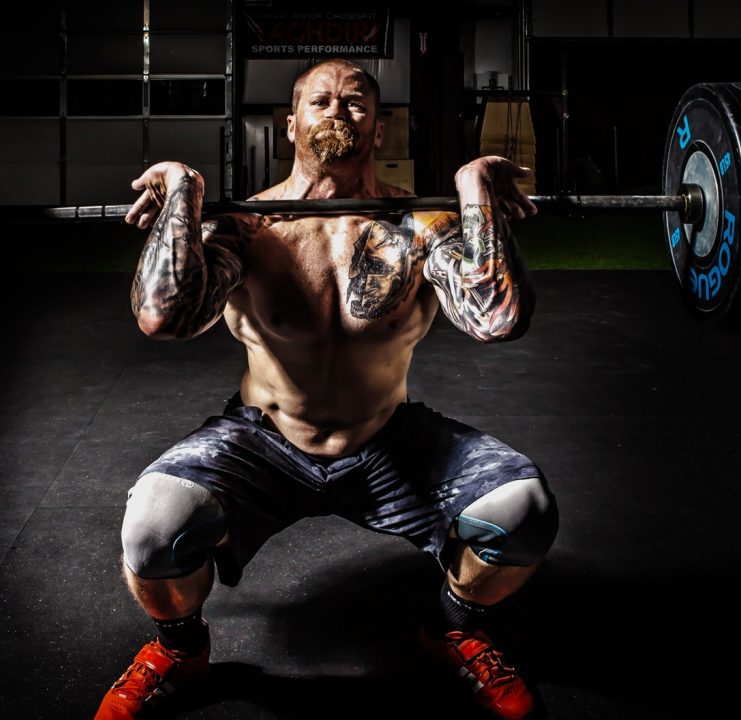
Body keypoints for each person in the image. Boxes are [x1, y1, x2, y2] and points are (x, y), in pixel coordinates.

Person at [94, 59, 559, 720]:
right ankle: (180, 649)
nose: (338, 111)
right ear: (291, 124)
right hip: (264, 440)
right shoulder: (247, 226)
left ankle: (452, 629)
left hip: (387, 437)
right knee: (151, 528)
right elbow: (163, 316)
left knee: (524, 510)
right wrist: (182, 194)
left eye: (356, 101)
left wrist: (473, 187)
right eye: (320, 101)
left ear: (378, 127)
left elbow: (498, 319)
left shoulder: (418, 222)